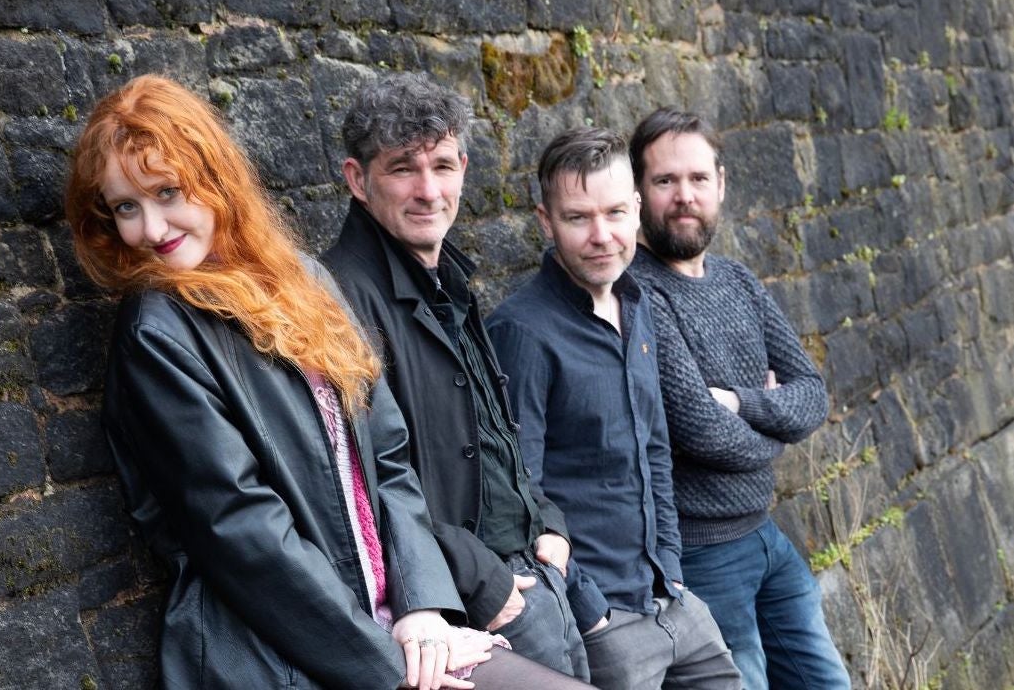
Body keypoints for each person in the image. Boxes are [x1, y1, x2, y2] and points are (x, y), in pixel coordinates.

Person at [64, 74, 591, 690]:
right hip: (294, 656)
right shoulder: (157, 331)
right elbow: (240, 530)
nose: (151, 229)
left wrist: (423, 606)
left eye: (168, 191)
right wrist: (384, 663)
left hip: (402, 627)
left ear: (216, 178)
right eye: (127, 206)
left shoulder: (305, 281)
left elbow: (387, 458)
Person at [323, 71, 590, 680]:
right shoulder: (338, 299)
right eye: (401, 169)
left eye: (442, 166)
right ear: (357, 180)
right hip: (473, 597)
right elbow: (360, 482)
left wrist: (547, 519)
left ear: (464, 169)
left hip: (532, 570)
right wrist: (480, 578)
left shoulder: (449, 276)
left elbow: (493, 429)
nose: (427, 190)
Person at [486, 126, 741, 690]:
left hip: (673, 601)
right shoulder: (521, 332)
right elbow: (516, 494)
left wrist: (671, 570)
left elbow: (654, 450)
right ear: (546, 222)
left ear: (636, 209)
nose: (602, 235)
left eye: (615, 213)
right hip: (605, 626)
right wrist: (592, 612)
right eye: (578, 218)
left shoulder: (637, 302)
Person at [626, 106, 852, 690]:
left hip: (766, 534)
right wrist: (775, 429)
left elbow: (812, 393)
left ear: (721, 184)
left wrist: (742, 404)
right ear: (639, 192)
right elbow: (696, 427)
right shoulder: (637, 291)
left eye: (698, 179)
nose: (684, 196)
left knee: (827, 681)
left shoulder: (738, 280)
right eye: (665, 181)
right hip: (701, 553)